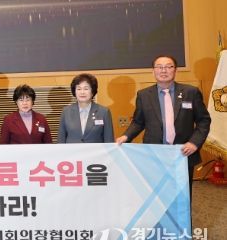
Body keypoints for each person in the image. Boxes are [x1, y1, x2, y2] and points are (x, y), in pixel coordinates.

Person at [116, 55, 211, 194]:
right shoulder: (144, 95)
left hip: (183, 153)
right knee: (156, 196)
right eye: (159, 67)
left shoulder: (191, 92)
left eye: (168, 67)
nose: (163, 70)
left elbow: (204, 120)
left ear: (175, 70)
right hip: (155, 154)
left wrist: (194, 143)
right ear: (153, 71)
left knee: (182, 196)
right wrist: (126, 136)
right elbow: (138, 122)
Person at [58, 73, 114, 143]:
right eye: (79, 89)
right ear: (74, 91)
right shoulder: (66, 111)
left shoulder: (104, 112)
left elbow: (109, 140)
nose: (82, 92)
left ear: (92, 91)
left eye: (86, 89)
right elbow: (61, 140)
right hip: (72, 150)